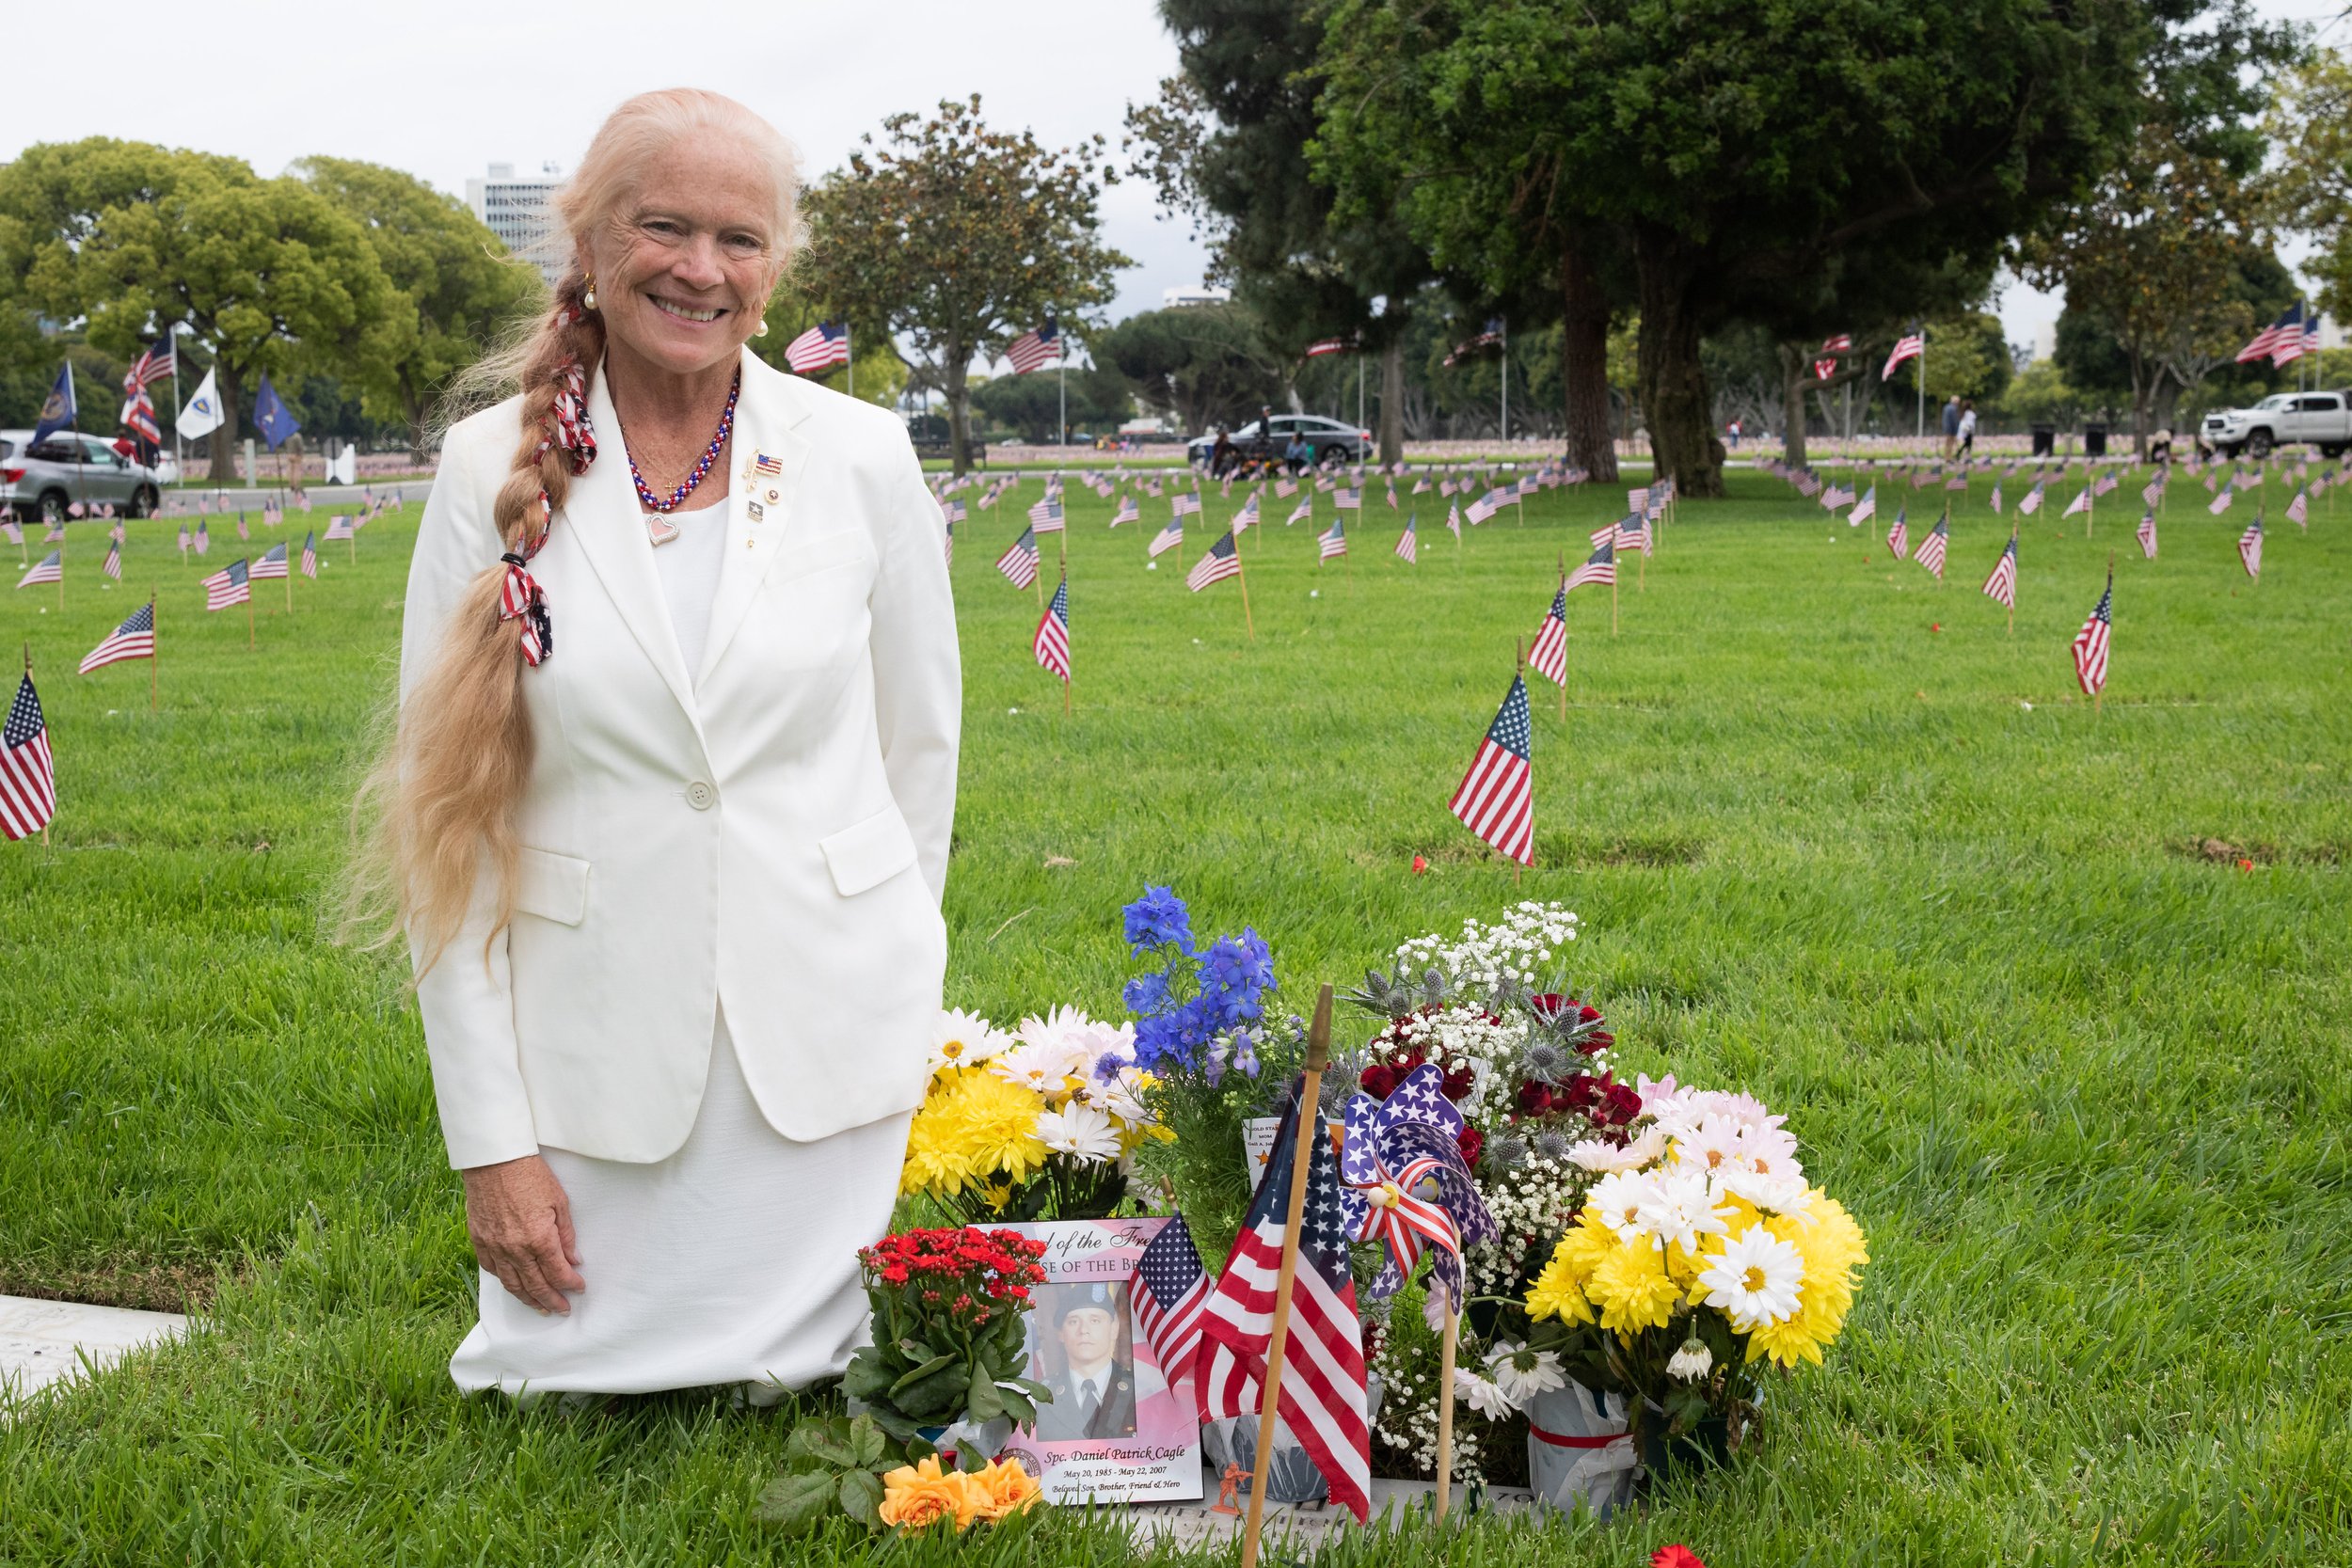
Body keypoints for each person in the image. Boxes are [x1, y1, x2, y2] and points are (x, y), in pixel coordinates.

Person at [358, 88, 960, 1402]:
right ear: (587, 243)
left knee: (855, 1378)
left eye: (740, 239)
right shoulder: (481, 470)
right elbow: (443, 832)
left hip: (832, 1053)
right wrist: (491, 1145)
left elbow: (922, 757)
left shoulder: (863, 456)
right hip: (597, 1066)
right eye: (664, 226)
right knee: (567, 1394)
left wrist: (890, 962)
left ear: (776, 268)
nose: (702, 268)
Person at [1032, 1284, 1137, 1441]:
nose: (1084, 1330)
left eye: (1095, 1320)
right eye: (1073, 1322)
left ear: (1114, 1328)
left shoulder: (1138, 1390)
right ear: (1061, 1333)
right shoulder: (1040, 1396)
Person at [1941, 395, 1962, 460]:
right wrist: (1956, 430)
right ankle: (1948, 458)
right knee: (1950, 444)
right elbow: (1954, 421)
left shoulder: (1946, 407)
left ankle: (1947, 457)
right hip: (1951, 429)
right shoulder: (1953, 409)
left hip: (1947, 428)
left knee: (1947, 444)